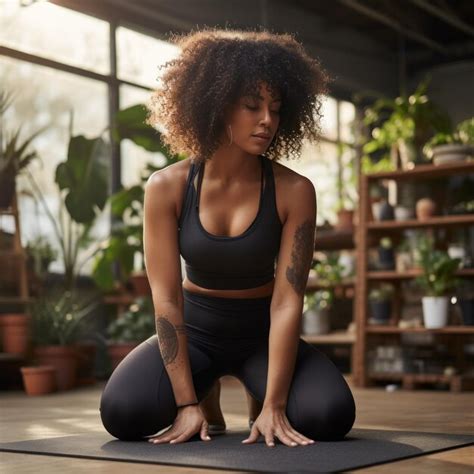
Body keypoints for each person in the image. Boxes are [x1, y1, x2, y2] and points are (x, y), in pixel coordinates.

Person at [99, 27, 356, 448]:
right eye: (252, 106)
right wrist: (184, 404)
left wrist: (275, 403)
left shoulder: (295, 190)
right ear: (216, 106)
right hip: (196, 332)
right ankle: (203, 390)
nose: (267, 120)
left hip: (261, 333)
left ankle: (259, 392)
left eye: (275, 107)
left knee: (329, 416)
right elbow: (166, 299)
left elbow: (289, 298)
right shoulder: (167, 187)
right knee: (123, 413)